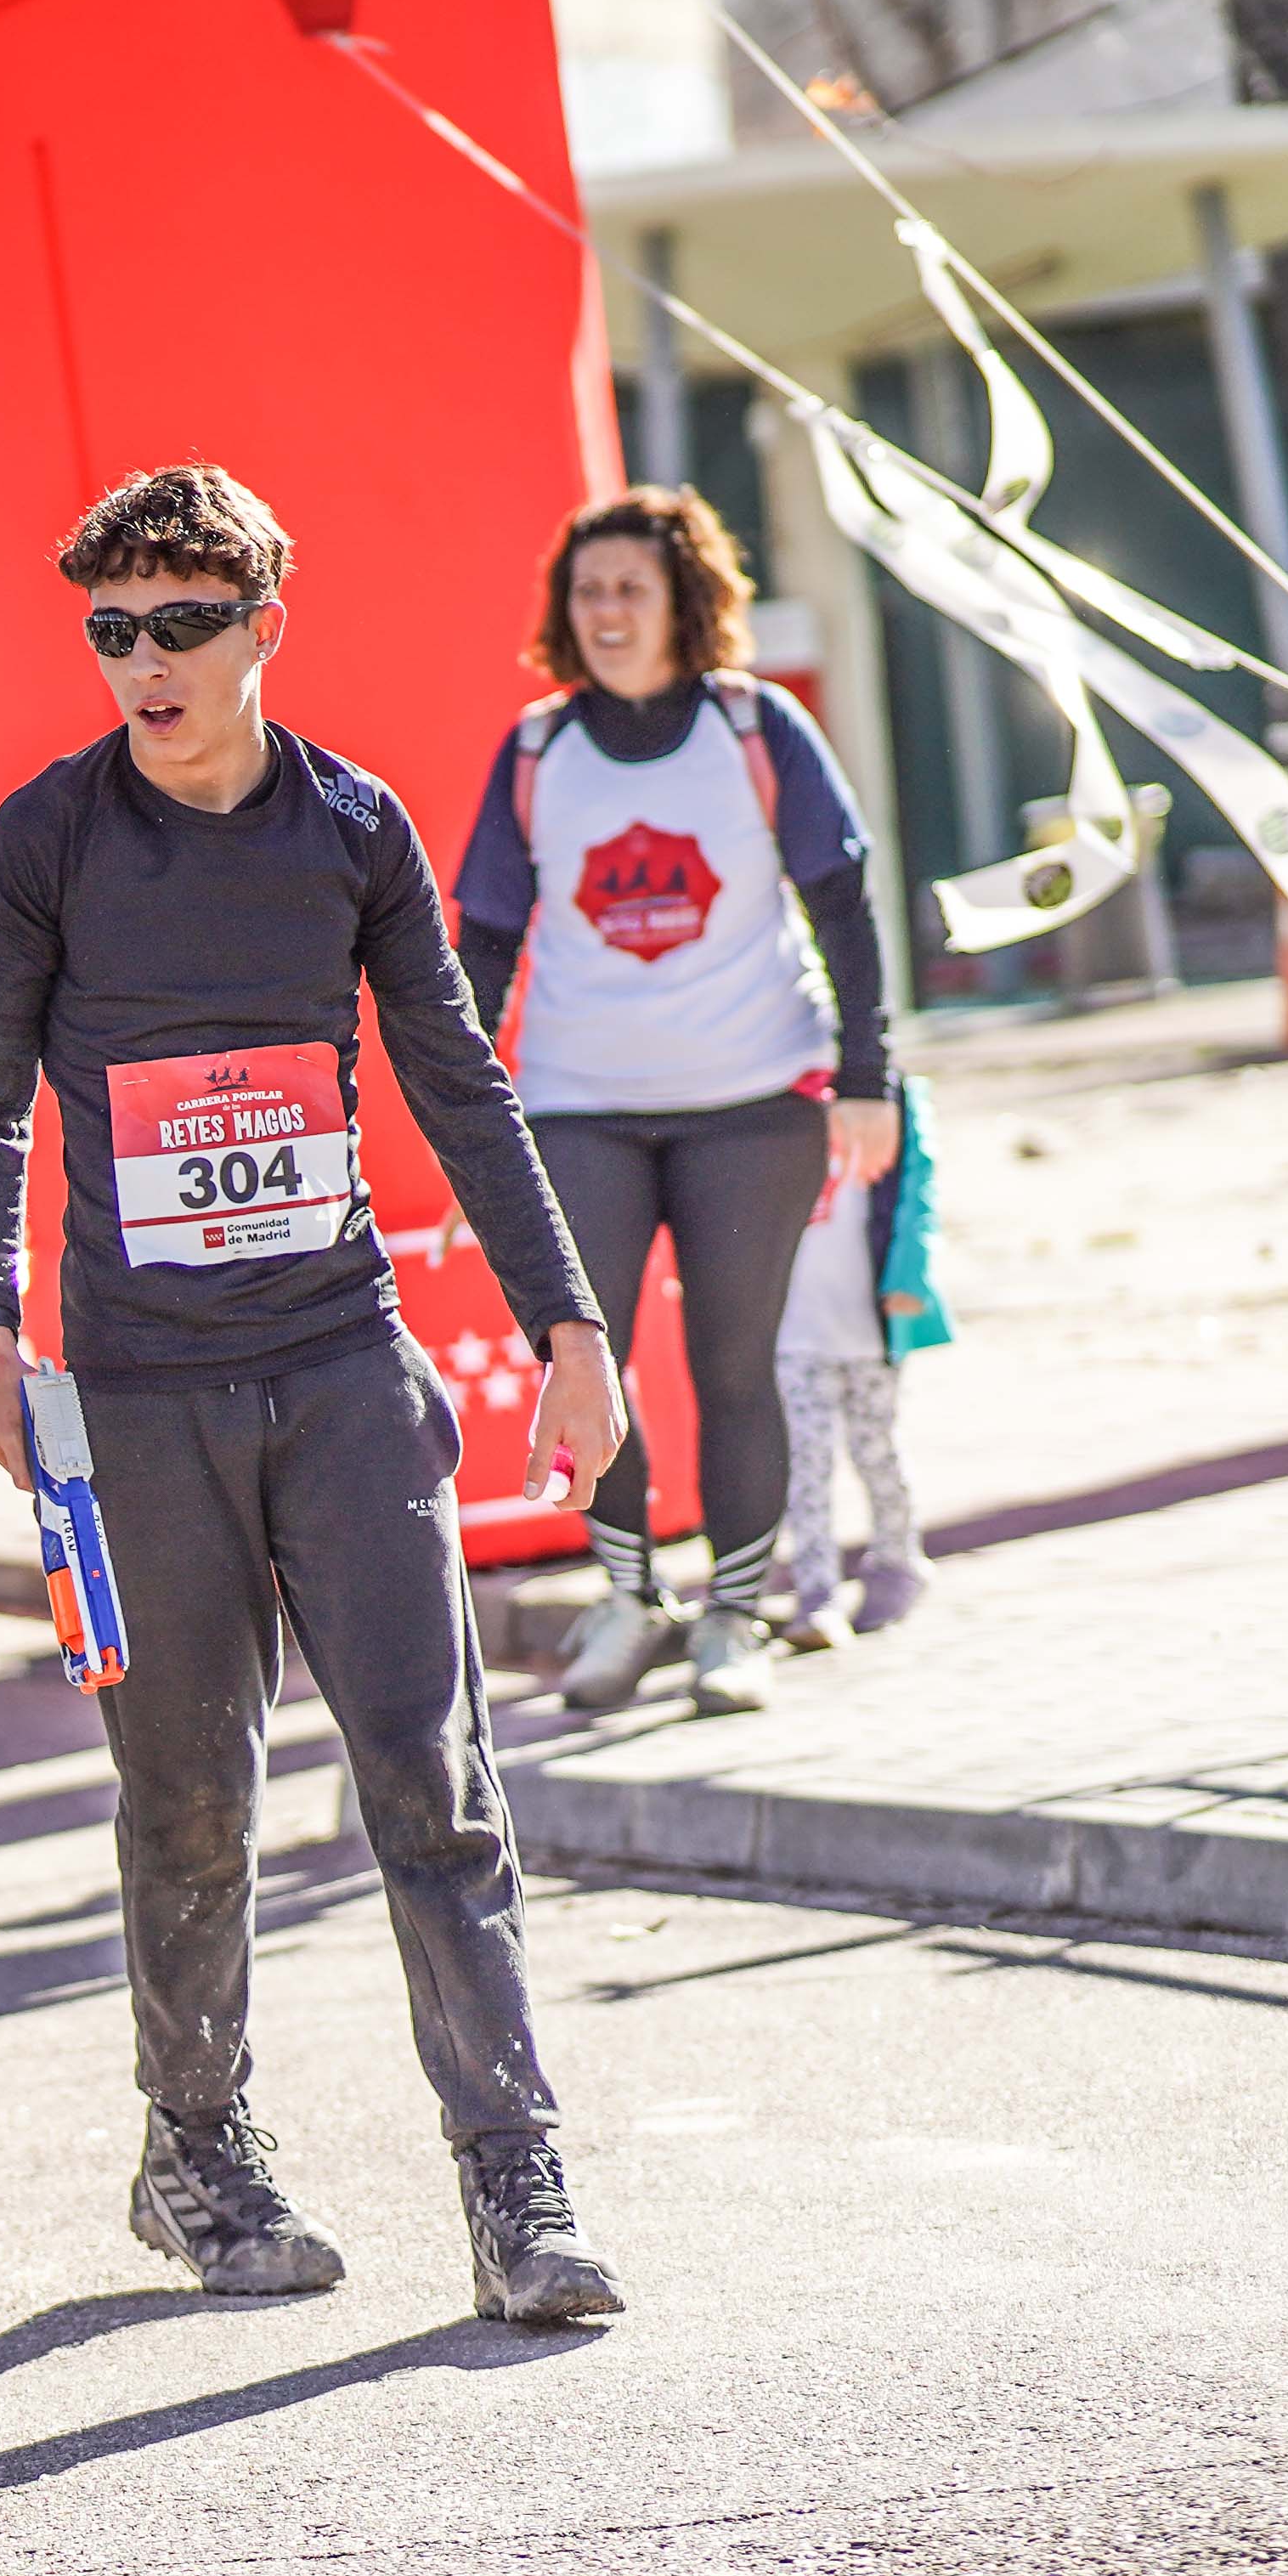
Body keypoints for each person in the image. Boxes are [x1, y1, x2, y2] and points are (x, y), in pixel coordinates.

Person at [0, 462, 633, 2327]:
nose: (142, 664)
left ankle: (517, 2183)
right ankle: (196, 2148)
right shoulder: (49, 836)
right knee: (189, 1800)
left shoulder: (353, 825)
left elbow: (457, 1079)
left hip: (337, 1363)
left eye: (181, 625)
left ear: (263, 628)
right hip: (140, 1390)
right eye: (112, 632)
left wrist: (568, 1323)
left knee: (433, 1776)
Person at [449, 486, 897, 1719]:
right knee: (580, 1355)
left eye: (631, 590)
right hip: (577, 1106)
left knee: (732, 1364)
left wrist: (868, 1080)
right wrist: (466, 1129)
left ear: (682, 601)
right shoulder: (538, 750)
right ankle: (630, 1598)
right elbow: (482, 945)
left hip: (753, 1102)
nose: (607, 612)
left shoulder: (756, 726)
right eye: (588, 590)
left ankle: (735, 1616)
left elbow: (846, 910)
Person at [776, 1069, 952, 1648]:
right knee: (805, 1458)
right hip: (793, 1324)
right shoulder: (768, 1094)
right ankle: (816, 1591)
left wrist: (911, 1278)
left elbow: (918, 1194)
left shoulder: (889, 1094)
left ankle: (899, 1561)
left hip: (869, 1323)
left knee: (875, 1449)